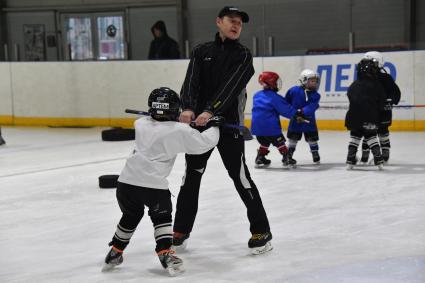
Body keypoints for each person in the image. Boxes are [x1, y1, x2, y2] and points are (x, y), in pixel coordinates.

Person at [172, 6, 273, 255]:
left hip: (228, 128)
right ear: (219, 22)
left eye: (240, 22)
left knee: (240, 178)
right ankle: (180, 230)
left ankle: (262, 230)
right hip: (200, 129)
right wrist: (187, 108)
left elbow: (229, 89)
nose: (236, 25)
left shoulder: (243, 56)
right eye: (232, 20)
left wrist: (209, 111)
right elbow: (191, 84)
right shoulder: (201, 52)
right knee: (191, 177)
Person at [102, 87, 222, 276]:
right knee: (162, 219)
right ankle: (165, 252)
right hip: (152, 186)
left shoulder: (140, 123)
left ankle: (115, 251)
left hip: (126, 183)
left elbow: (162, 127)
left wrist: (181, 125)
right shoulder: (179, 130)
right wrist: (214, 125)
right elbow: (203, 144)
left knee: (131, 216)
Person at [251, 71, 302, 168]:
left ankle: (260, 157)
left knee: (265, 142)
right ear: (271, 83)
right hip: (271, 128)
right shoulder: (275, 97)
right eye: (276, 81)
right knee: (280, 142)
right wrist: (296, 114)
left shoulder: (257, 95)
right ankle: (286, 157)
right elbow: (285, 109)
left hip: (257, 129)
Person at [359, 51, 401, 164]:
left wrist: (391, 100)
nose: (365, 66)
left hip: (384, 111)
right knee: (367, 131)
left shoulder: (386, 78)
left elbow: (395, 92)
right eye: (364, 63)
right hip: (369, 110)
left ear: (378, 63)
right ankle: (364, 156)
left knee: (383, 131)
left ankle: (385, 154)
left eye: (368, 63)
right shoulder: (363, 79)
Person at [345, 59, 386, 169]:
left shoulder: (354, 84)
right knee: (372, 137)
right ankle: (379, 160)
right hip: (370, 117)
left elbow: (349, 96)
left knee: (354, 139)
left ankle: (350, 160)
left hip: (353, 118)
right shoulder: (376, 84)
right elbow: (382, 101)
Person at [284, 69, 321, 166]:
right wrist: (293, 112)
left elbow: (313, 106)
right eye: (312, 81)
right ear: (303, 80)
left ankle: (315, 153)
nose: (315, 83)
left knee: (312, 138)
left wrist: (302, 111)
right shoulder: (293, 91)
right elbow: (286, 103)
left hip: (309, 121)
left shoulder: (316, 95)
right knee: (293, 139)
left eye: (316, 81)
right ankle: (289, 154)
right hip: (295, 120)